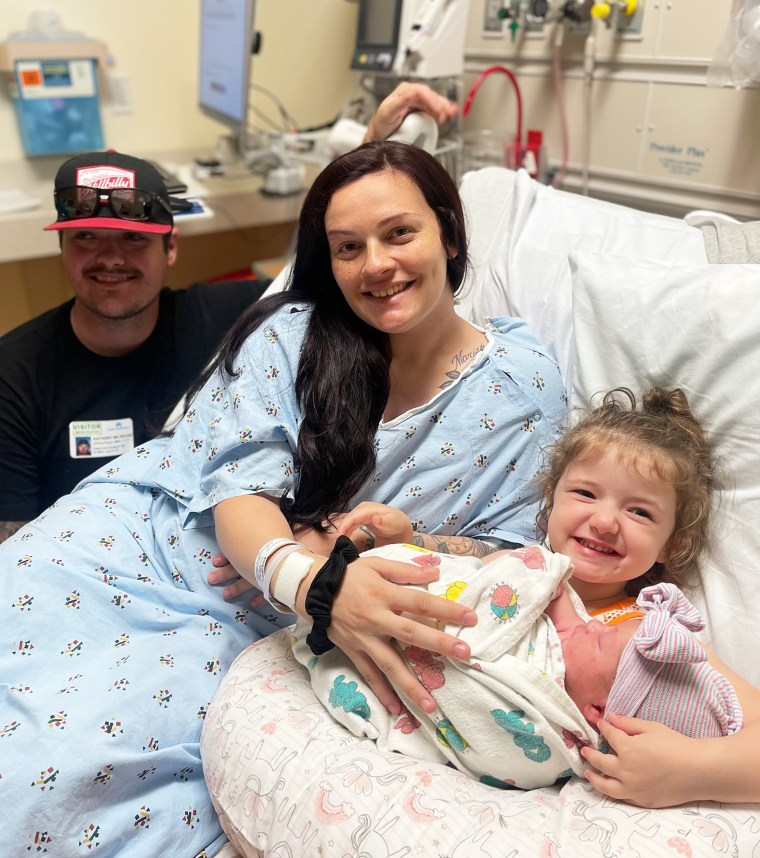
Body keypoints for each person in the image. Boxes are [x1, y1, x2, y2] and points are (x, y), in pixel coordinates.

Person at [0, 140, 565, 856]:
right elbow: (237, 487)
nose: (377, 265)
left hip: (237, 616)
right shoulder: (294, 335)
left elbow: (510, 549)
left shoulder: (519, 387)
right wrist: (313, 577)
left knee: (54, 774)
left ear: (448, 233)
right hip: (143, 530)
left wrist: (407, 540)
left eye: (399, 233)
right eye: (347, 247)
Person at [292, 541, 743, 790]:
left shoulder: (651, 642)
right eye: (584, 493)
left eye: (640, 513)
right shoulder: (576, 613)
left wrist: (692, 771)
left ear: (599, 715)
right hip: (352, 592)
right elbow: (485, 567)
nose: (604, 521)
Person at [0, 150, 270, 541]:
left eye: (133, 238)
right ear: (62, 247)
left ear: (170, 248)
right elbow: (13, 552)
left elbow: (323, 274)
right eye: (86, 237)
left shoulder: (228, 320)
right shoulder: (14, 378)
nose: (110, 258)